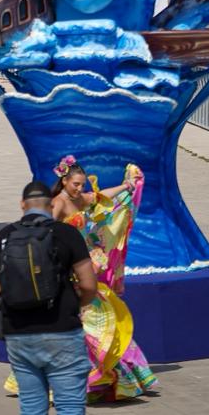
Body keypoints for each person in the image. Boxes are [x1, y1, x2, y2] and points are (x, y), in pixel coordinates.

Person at [42, 157, 157, 402]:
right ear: (63, 181)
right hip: (69, 270)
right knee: (91, 320)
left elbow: (100, 196)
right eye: (75, 184)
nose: (79, 189)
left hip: (84, 266)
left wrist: (126, 187)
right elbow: (44, 231)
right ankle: (82, 379)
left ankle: (109, 374)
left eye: (82, 185)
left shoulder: (77, 199)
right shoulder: (57, 204)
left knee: (99, 317)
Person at [0, 181, 98, 415]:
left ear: (22, 205)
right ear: (51, 205)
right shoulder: (67, 234)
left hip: (18, 333)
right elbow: (89, 284)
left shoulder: (5, 235)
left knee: (31, 407)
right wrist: (73, 303)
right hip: (62, 331)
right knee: (69, 406)